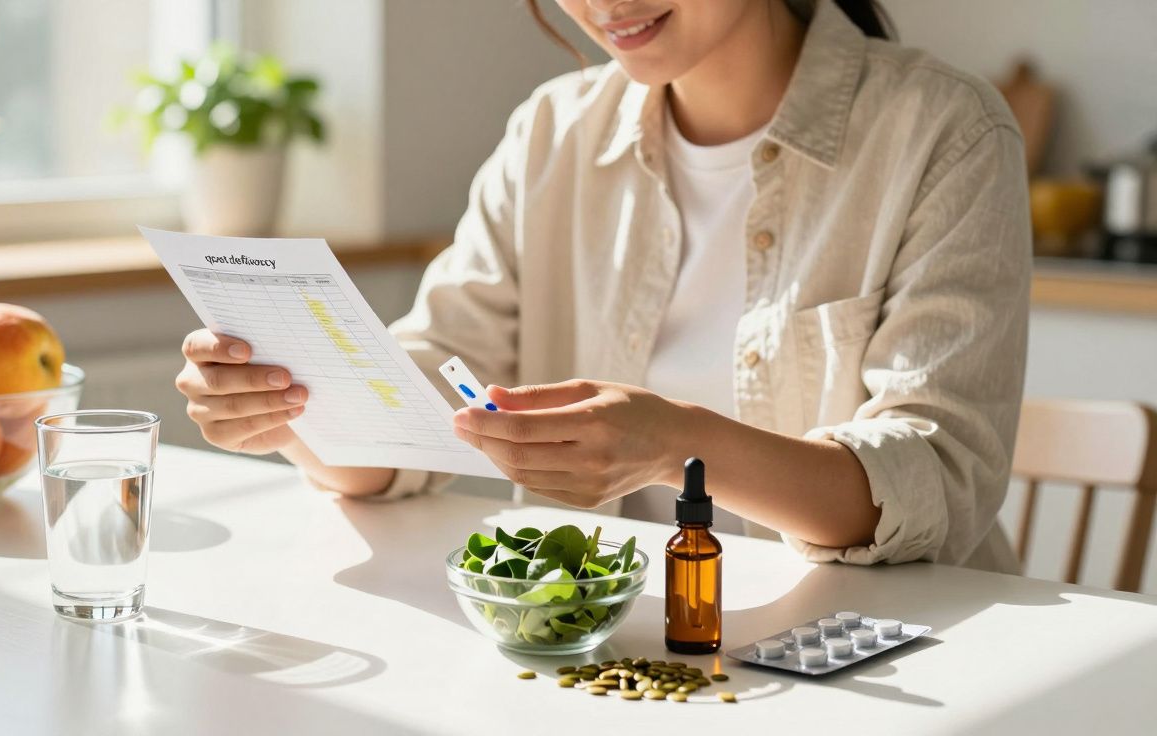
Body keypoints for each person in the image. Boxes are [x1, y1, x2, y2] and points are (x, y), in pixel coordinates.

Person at [175, 0, 1030, 572]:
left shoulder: (944, 131)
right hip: (619, 659)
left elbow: (935, 476)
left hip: (881, 664)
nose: (603, 1)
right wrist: (289, 407)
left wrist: (678, 443)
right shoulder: (553, 132)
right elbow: (418, 411)